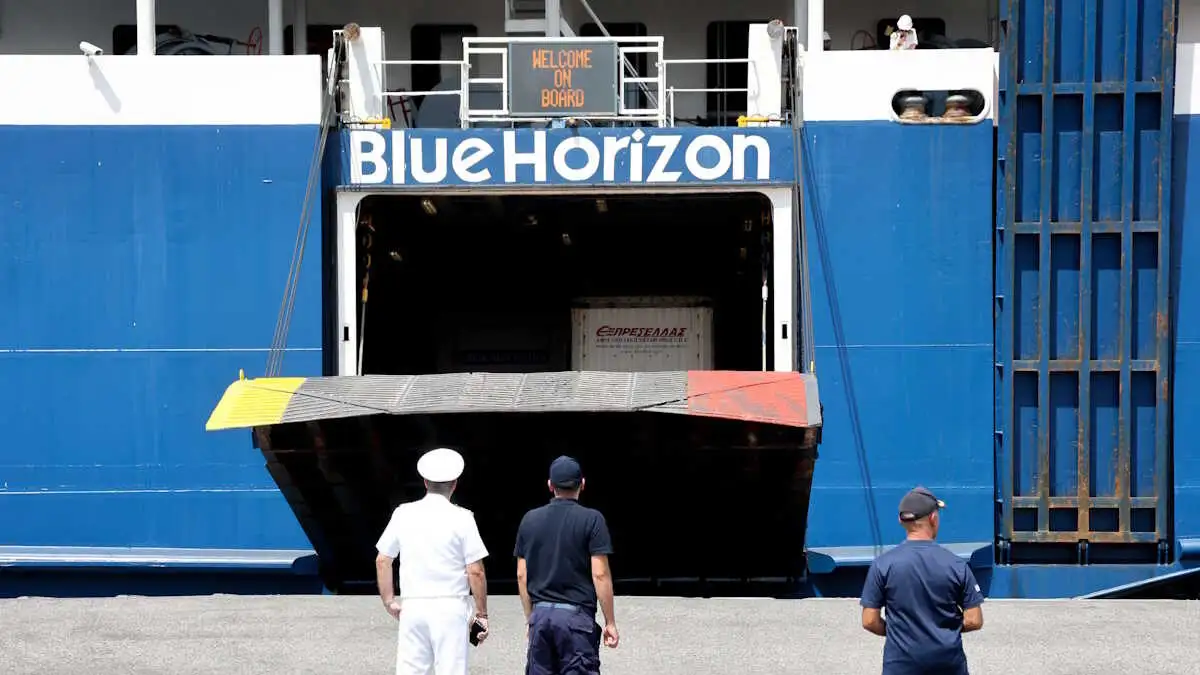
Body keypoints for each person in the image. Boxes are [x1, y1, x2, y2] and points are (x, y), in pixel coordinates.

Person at [374, 447, 491, 675]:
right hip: (451, 607)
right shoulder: (463, 518)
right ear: (454, 484)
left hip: (413, 606)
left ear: (425, 483)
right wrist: (481, 614)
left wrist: (389, 601)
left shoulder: (403, 513)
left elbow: (383, 560)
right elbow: (475, 571)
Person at [860, 486, 985, 675]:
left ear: (901, 520)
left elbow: (869, 621)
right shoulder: (956, 564)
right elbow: (974, 620)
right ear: (933, 518)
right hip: (947, 665)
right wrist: (945, 629)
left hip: (900, 665)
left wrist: (898, 632)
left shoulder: (882, 565)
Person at [514, 455, 619, 675]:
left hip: (541, 616)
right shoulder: (593, 519)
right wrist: (610, 621)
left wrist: (531, 619)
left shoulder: (529, 519)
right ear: (583, 484)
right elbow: (600, 574)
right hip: (576, 620)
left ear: (550, 485)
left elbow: (522, 574)